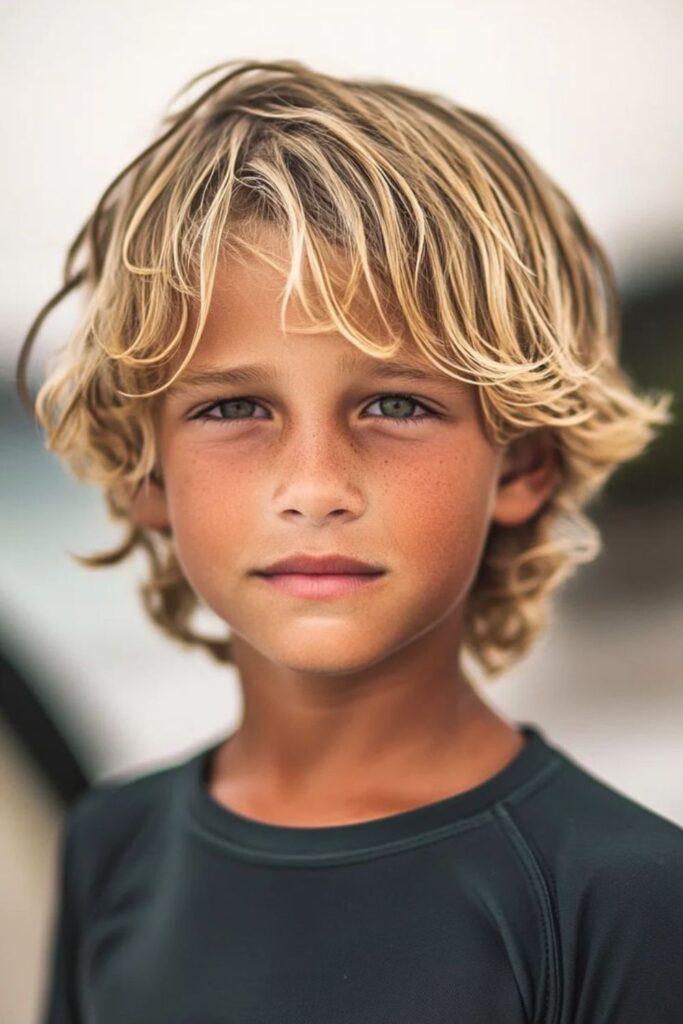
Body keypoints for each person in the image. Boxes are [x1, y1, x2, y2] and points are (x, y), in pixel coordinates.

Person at [17, 58, 683, 1023]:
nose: (315, 487)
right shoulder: (108, 846)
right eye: (236, 406)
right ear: (145, 473)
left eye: (396, 403)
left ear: (523, 465)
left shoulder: (618, 899)